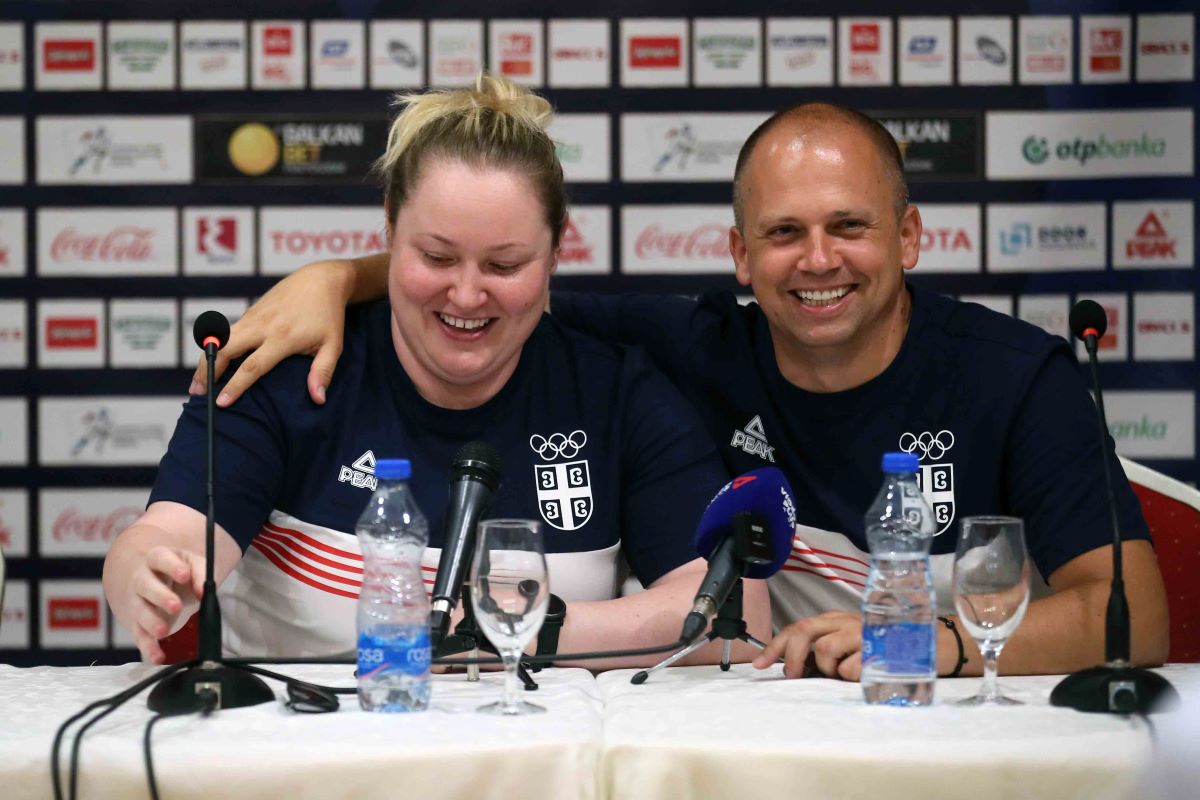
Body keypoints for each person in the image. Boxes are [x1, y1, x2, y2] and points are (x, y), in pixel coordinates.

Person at [194, 102, 1170, 681]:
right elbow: (493, 281)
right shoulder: (683, 344)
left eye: (850, 227)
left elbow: (1132, 616)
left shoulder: (1015, 374)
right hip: (771, 729)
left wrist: (930, 643)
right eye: (783, 233)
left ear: (909, 239)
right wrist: (337, 276)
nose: (817, 260)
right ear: (740, 254)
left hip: (956, 725)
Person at [104, 75, 770, 666]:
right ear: (390, 229)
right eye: (438, 258)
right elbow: (167, 536)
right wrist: (147, 574)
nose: (467, 295)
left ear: (556, 253)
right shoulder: (284, 373)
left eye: (504, 265)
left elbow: (739, 615)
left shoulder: (617, 392)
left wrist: (523, 629)